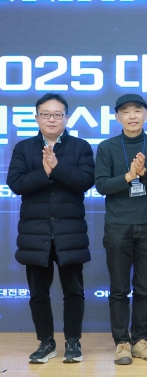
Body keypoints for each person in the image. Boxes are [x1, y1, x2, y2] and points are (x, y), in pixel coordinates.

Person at [6, 93, 95, 364]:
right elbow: (16, 183)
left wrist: (57, 168)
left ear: (66, 118)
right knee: (38, 293)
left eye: (57, 114)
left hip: (70, 232)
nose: (52, 119)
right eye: (46, 114)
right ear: (37, 118)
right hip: (36, 233)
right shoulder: (24, 148)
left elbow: (86, 181)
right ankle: (46, 342)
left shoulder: (80, 147)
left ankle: (73, 342)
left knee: (74, 291)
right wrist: (44, 173)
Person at [94, 94, 147, 365]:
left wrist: (144, 173)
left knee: (144, 287)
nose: (132, 116)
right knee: (118, 288)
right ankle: (122, 343)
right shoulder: (107, 147)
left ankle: (140, 341)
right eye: (125, 112)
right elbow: (101, 185)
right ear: (118, 118)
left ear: (146, 115)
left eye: (137, 110)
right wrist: (128, 176)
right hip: (117, 225)